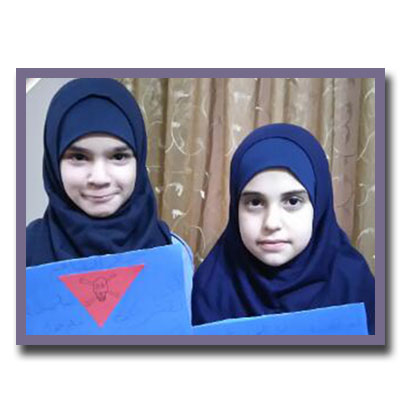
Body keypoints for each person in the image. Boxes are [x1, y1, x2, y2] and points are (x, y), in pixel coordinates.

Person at [192, 123, 375, 334]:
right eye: (255, 202)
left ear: (319, 206)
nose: (271, 223)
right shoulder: (211, 287)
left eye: (293, 201)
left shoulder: (353, 285)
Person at [26, 78, 192, 269]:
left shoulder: (171, 251)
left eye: (119, 157)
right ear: (54, 164)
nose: (99, 178)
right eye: (79, 157)